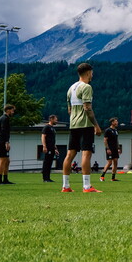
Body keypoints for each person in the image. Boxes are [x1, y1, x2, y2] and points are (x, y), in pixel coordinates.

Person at [63, 62, 103, 193]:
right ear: (87, 73)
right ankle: (86, 186)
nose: (92, 75)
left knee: (70, 154)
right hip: (85, 124)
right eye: (92, 73)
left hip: (73, 124)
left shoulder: (71, 88)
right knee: (86, 153)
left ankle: (66, 186)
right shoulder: (86, 87)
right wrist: (96, 125)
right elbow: (87, 108)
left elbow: (69, 110)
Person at [0, 104, 15, 185]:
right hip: (2, 141)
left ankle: (5, 179)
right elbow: (3, 130)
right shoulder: (5, 118)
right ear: (8, 110)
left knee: (7, 160)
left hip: (1, 140)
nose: (13, 112)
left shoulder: (3, 118)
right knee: (3, 160)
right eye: (12, 110)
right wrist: (6, 142)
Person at [101, 117, 121, 182]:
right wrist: (108, 148)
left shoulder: (116, 130)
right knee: (109, 162)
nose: (117, 122)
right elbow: (105, 140)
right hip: (110, 148)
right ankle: (102, 176)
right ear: (112, 122)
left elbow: (116, 140)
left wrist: (118, 148)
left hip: (115, 148)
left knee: (115, 162)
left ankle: (113, 178)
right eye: (116, 121)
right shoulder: (108, 130)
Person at [41, 115, 58, 182]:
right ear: (51, 119)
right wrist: (44, 146)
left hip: (52, 148)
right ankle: (45, 178)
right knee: (46, 162)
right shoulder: (47, 127)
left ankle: (48, 177)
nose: (56, 121)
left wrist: (55, 148)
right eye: (55, 119)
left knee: (50, 163)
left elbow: (52, 139)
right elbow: (43, 136)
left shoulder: (53, 128)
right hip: (48, 148)